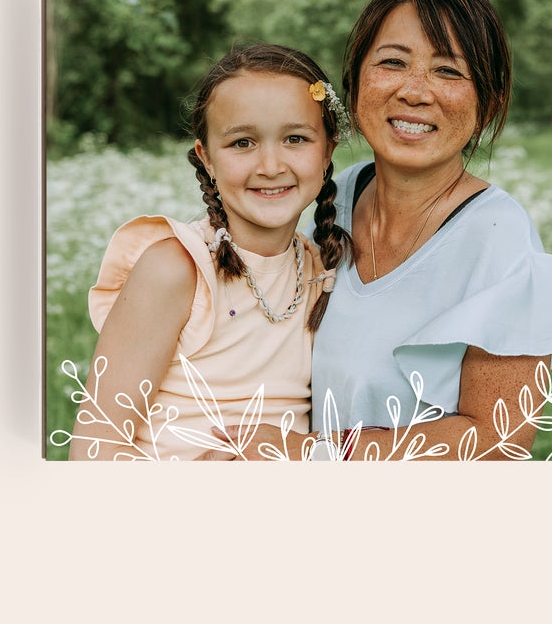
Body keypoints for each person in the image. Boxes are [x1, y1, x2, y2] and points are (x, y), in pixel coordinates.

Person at [217, 0, 552, 461]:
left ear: (487, 104)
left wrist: (311, 454)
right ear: (355, 81)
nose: (414, 90)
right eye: (392, 62)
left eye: (448, 71)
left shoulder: (499, 240)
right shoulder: (327, 198)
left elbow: (496, 443)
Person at [66, 43, 350, 460]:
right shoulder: (177, 268)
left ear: (327, 152)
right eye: (242, 143)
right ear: (207, 159)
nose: (270, 164)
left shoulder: (317, 269)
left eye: (295, 138)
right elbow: (97, 444)